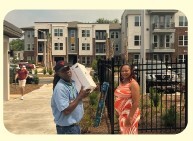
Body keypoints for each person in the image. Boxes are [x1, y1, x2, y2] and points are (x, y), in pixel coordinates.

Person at [51, 60, 90, 134]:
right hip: (66, 129)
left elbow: (74, 100)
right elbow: (66, 111)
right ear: (58, 74)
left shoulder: (71, 83)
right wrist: (80, 96)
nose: (67, 71)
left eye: (67, 68)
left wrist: (85, 93)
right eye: (63, 70)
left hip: (74, 127)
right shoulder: (60, 88)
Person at [114, 64, 140, 134]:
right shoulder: (122, 82)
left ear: (131, 71)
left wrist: (130, 117)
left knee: (129, 133)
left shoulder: (133, 84)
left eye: (126, 71)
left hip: (129, 114)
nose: (124, 73)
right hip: (122, 113)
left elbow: (136, 103)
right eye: (122, 71)